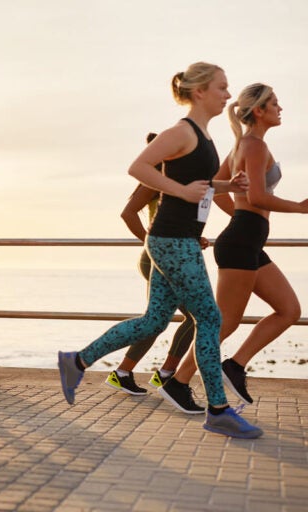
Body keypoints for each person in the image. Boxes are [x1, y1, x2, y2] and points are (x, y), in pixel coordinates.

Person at [57, 62, 264, 439]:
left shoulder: (203, 135)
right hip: (173, 241)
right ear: (199, 91)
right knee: (210, 319)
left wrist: (225, 185)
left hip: (176, 239)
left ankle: (77, 361)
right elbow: (138, 166)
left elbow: (197, 184)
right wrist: (179, 191)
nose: (228, 95)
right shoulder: (180, 132)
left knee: (153, 321)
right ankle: (218, 410)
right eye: (221, 87)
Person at [159, 83, 306, 410]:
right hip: (241, 242)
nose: (280, 109)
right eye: (275, 104)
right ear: (259, 111)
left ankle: (235, 366)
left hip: (248, 240)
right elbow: (255, 197)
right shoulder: (253, 146)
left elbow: (218, 189)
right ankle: (179, 383)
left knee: (289, 310)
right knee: (225, 322)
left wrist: (241, 213)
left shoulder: (245, 146)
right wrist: (300, 207)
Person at [104, 132, 197, 395]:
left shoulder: (175, 181)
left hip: (173, 257)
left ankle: (124, 372)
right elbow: (128, 213)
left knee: (157, 320)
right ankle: (165, 374)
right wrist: (152, 241)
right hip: (158, 258)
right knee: (197, 317)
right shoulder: (157, 180)